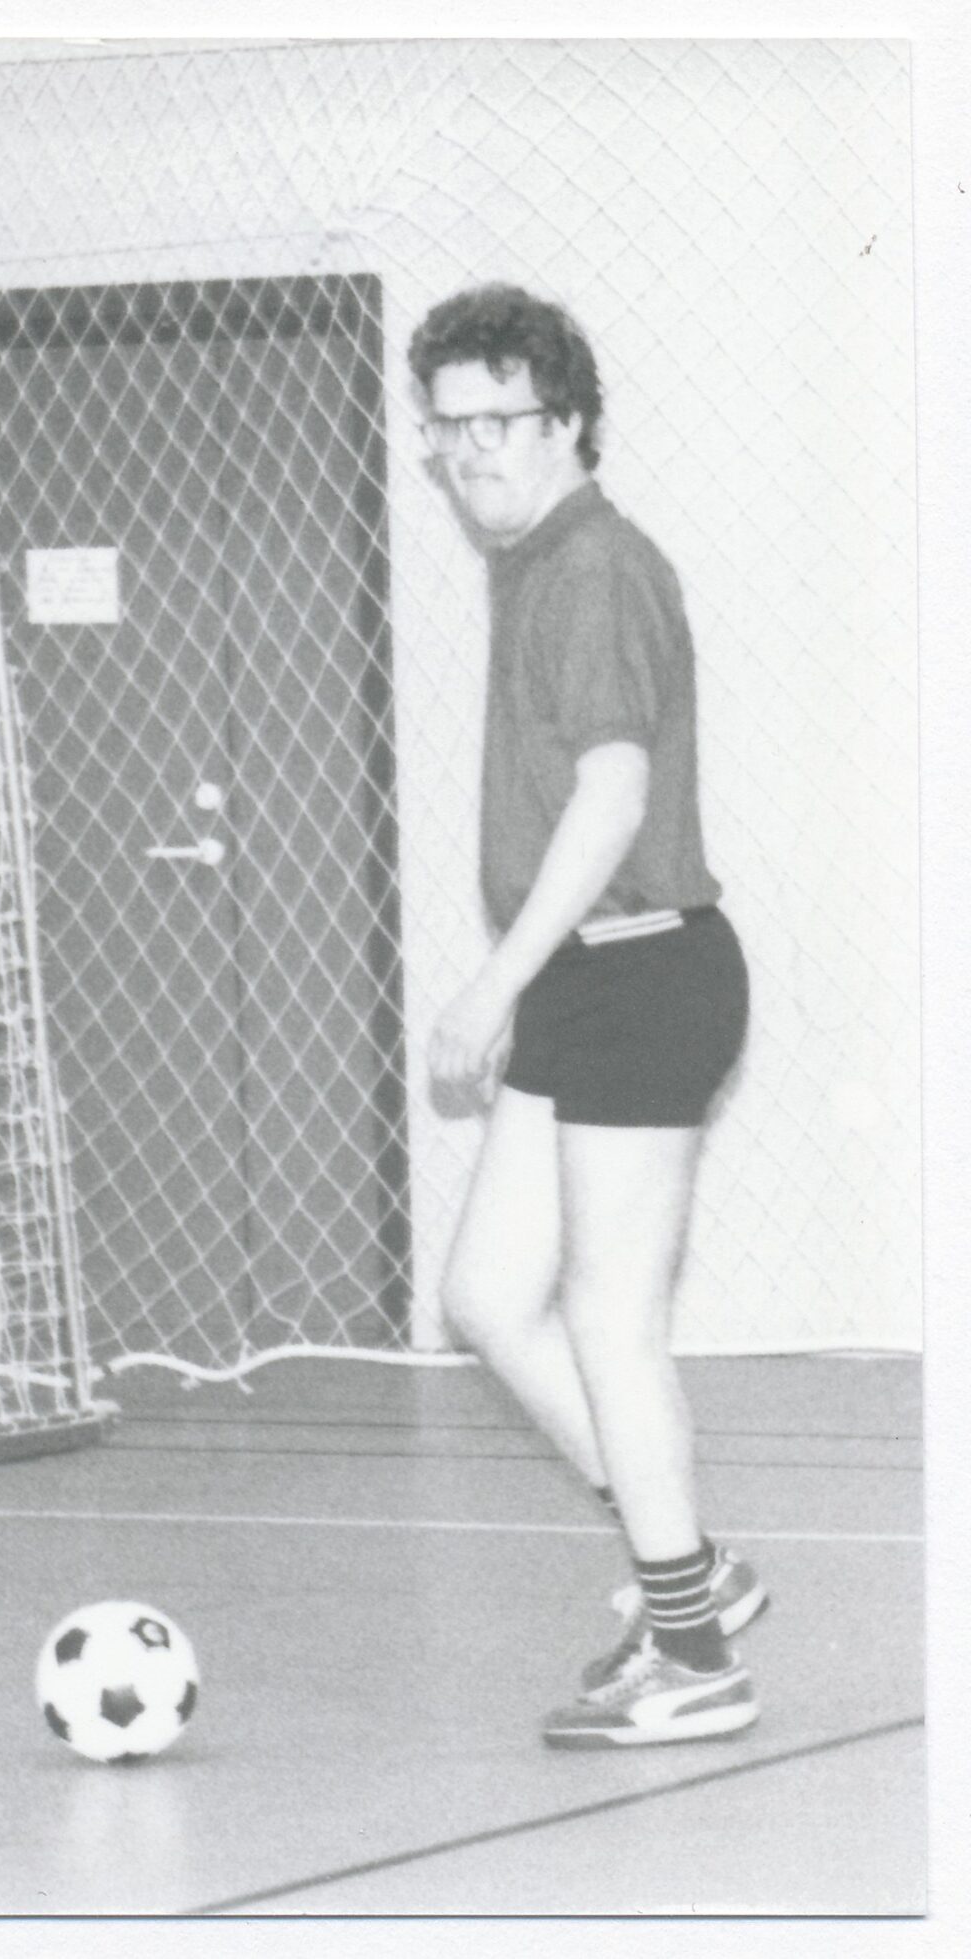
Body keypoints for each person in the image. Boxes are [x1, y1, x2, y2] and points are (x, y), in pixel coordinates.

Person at [406, 286, 764, 1748]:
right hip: (582, 979)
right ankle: (694, 1571)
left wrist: (492, 981)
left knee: (613, 1319)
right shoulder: (534, 560)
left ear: (565, 423)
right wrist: (526, 977)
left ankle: (694, 1657)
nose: (468, 454)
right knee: (490, 1295)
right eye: (445, 429)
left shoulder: (595, 569)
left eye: (496, 422)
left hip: (642, 975)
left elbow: (614, 798)